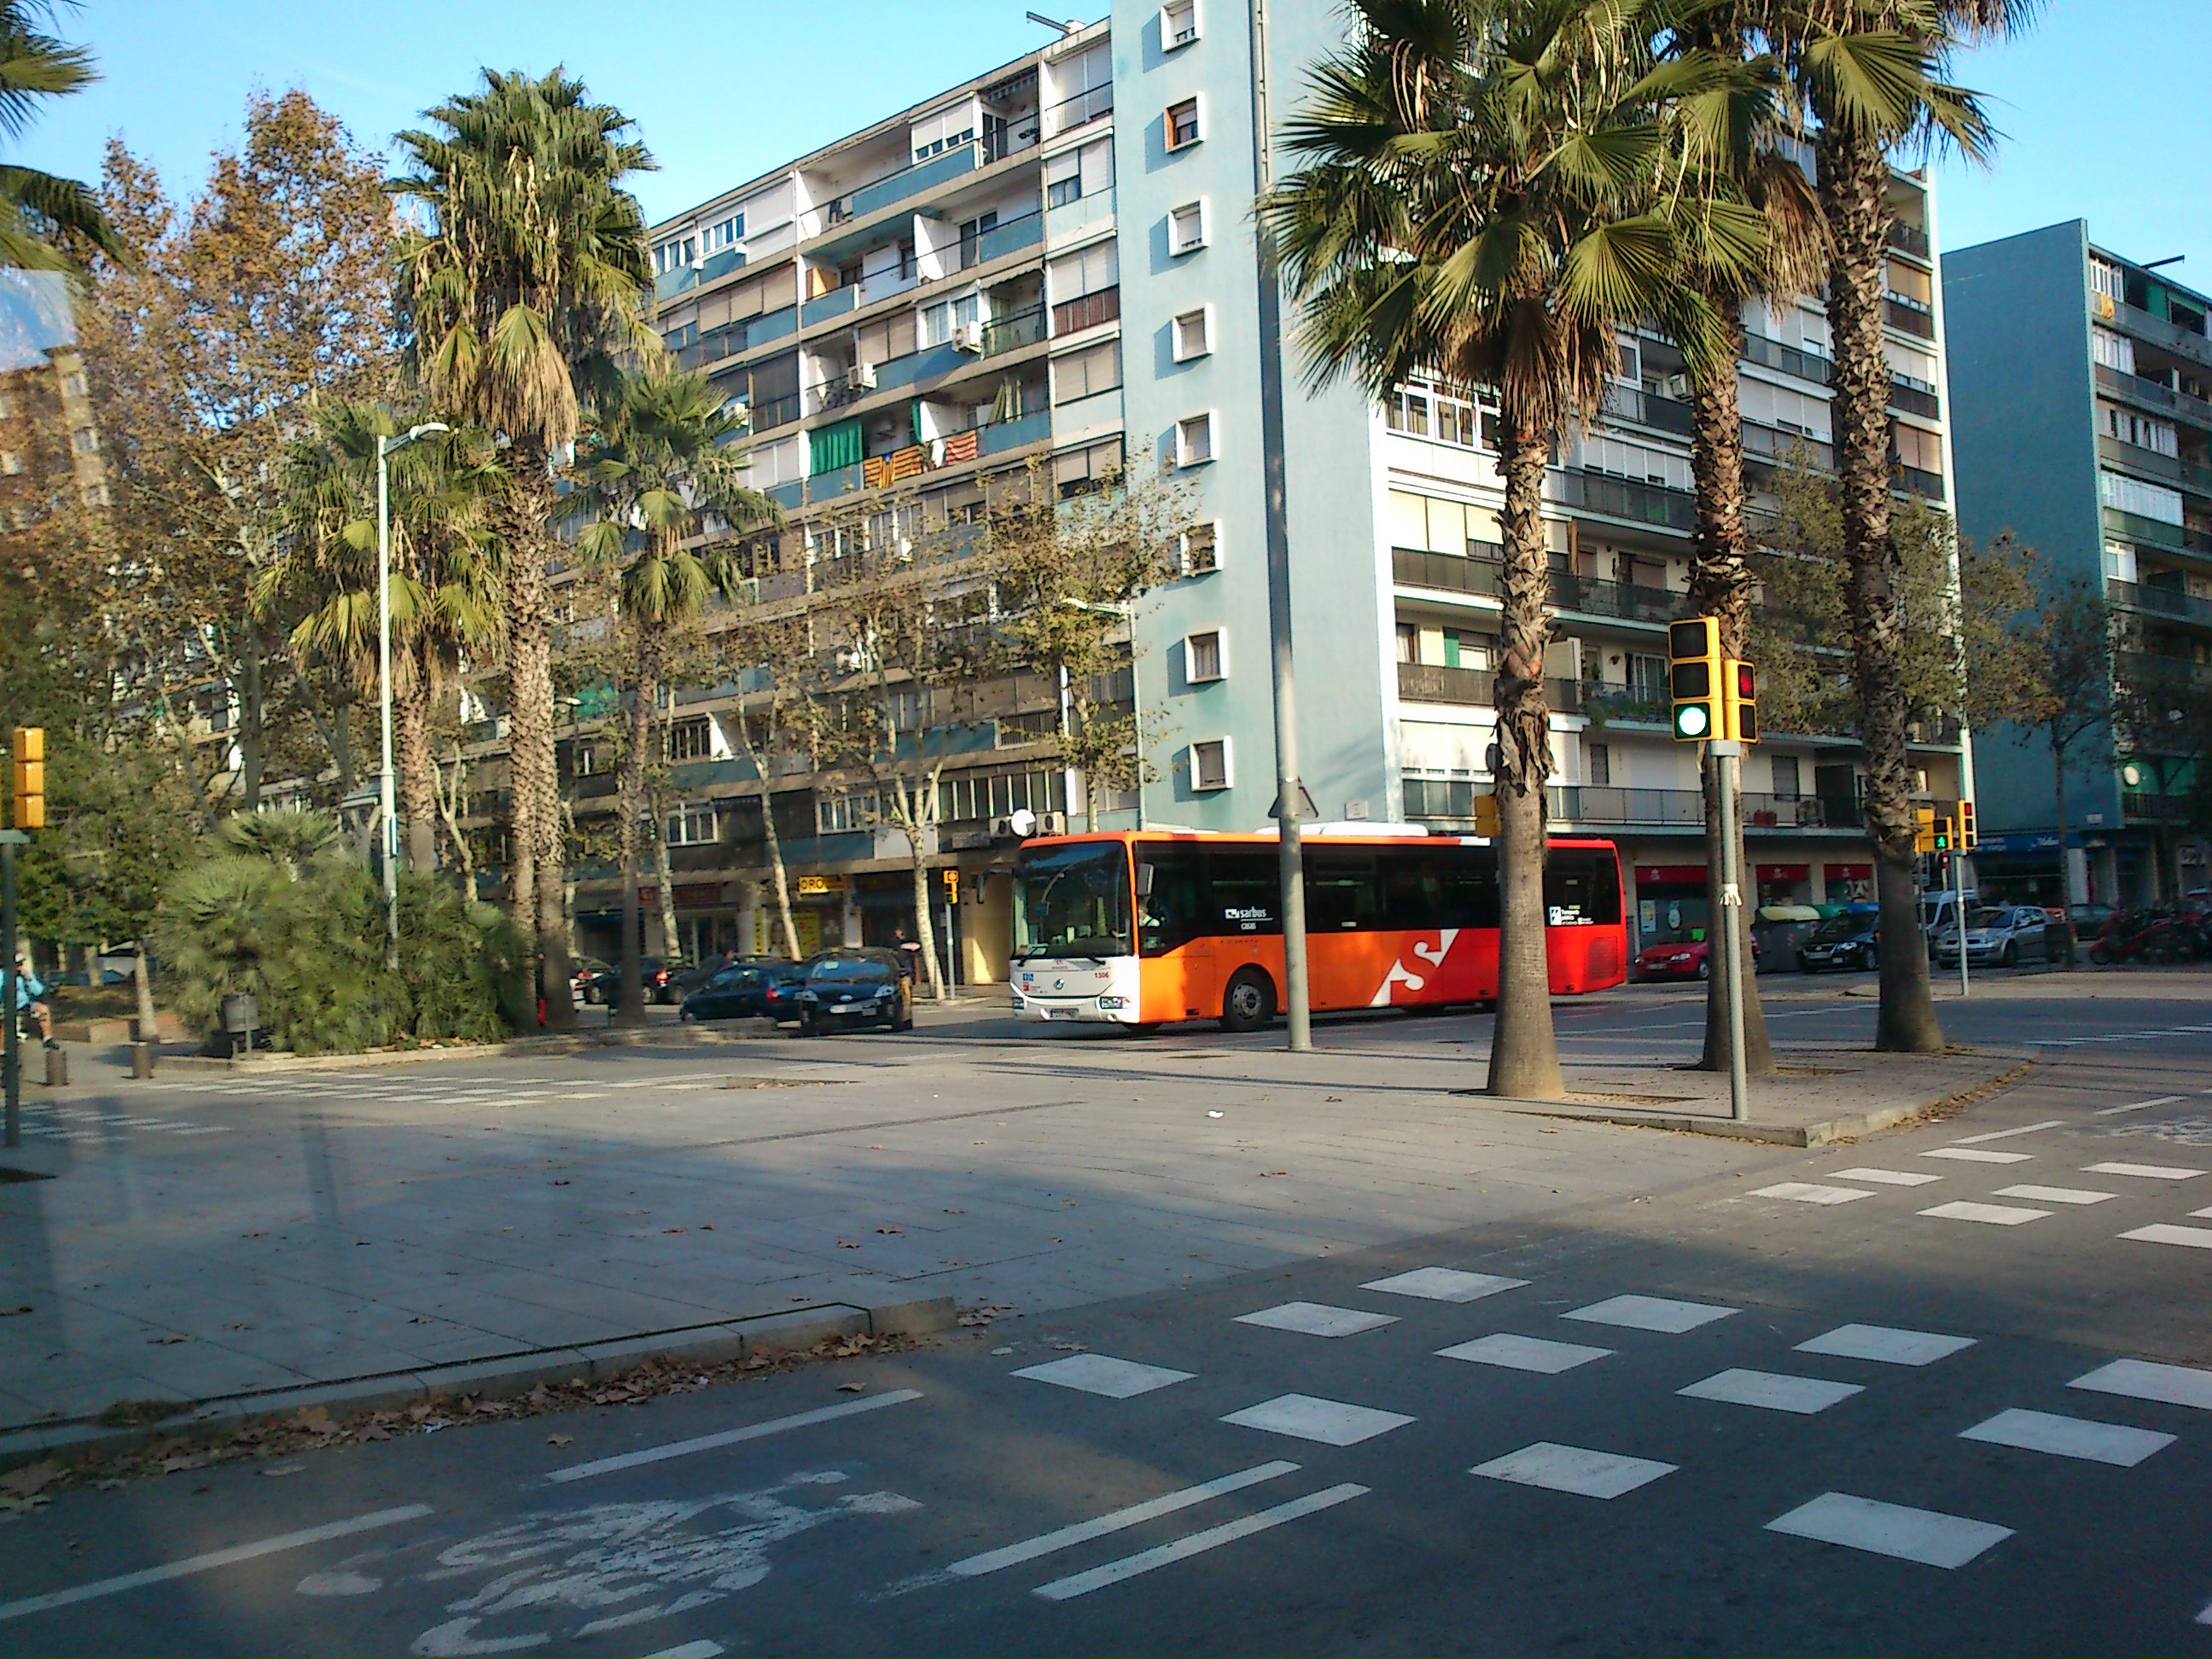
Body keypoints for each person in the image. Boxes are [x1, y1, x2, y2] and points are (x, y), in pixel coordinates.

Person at [13, 952, 54, 1049]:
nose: (19, 967)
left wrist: (29, 979)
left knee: (43, 1009)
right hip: (9, 1005)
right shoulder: (3, 975)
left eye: (21, 964)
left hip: (25, 1004)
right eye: (17, 965)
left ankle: (48, 1038)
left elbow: (39, 991)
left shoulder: (27, 974)